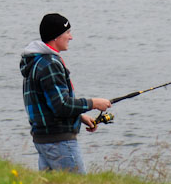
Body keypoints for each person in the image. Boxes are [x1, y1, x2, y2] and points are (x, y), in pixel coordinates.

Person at [19, 13, 111, 173]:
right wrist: (93, 103)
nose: (71, 37)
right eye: (67, 33)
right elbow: (61, 106)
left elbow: (47, 102)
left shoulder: (36, 61)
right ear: (56, 37)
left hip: (44, 140)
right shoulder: (50, 64)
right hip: (59, 142)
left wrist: (80, 116)